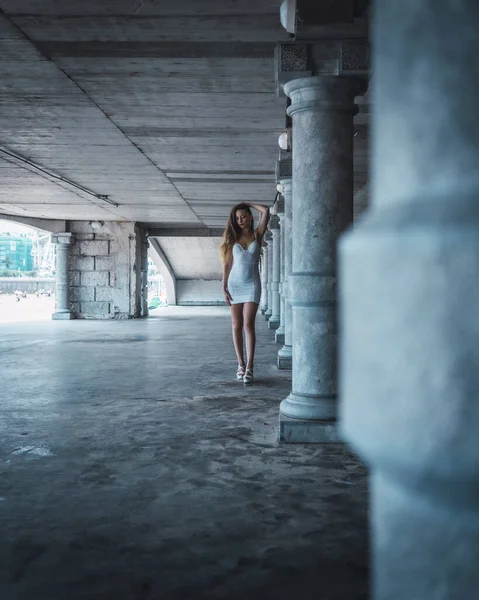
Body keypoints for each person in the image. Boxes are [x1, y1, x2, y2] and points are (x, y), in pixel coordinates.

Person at [220, 202, 270, 384]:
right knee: (236, 325)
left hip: (252, 285)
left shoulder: (258, 235)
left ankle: (250, 367)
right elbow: (226, 265)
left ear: (250, 217)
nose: (240, 220)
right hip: (235, 285)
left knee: (249, 325)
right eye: (237, 218)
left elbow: (265, 210)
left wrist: (246, 203)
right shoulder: (232, 238)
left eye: (243, 216)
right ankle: (240, 364)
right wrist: (224, 287)